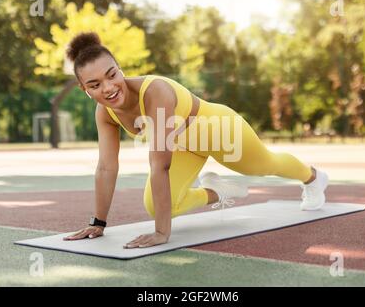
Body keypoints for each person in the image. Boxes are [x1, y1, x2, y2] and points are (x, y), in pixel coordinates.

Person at [63, 32, 329, 249]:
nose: (108, 88)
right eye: (95, 85)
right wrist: (98, 222)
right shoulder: (105, 113)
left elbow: (159, 166)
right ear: (83, 89)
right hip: (185, 147)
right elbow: (107, 167)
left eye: (112, 75)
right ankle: (219, 191)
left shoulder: (156, 92)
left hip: (221, 131)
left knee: (264, 166)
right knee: (156, 206)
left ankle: (313, 177)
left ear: (120, 69)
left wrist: (161, 233)